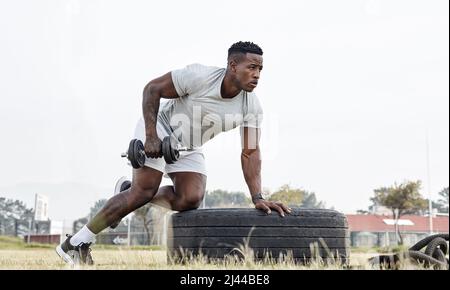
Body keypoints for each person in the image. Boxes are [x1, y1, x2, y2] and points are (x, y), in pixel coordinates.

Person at [56, 41, 291, 266]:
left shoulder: (252, 106)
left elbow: (250, 151)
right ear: (232, 66)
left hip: (189, 145)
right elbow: (152, 89)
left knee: (190, 199)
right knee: (144, 191)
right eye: (251, 67)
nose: (257, 74)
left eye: (260, 68)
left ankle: (128, 189)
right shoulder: (199, 77)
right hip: (160, 126)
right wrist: (150, 136)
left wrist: (257, 197)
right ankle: (76, 242)